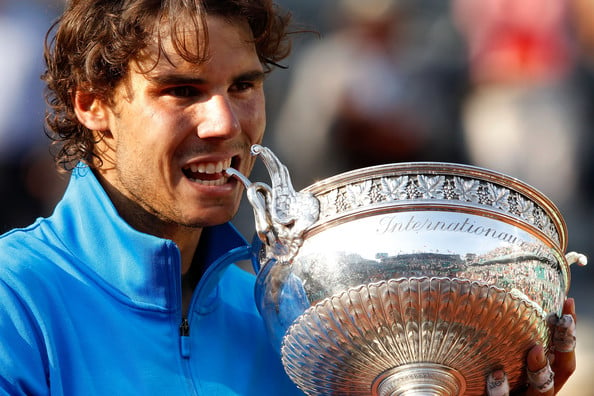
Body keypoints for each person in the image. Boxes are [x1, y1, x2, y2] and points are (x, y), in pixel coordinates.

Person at [0, 0, 578, 395]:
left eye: (244, 86)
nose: (224, 123)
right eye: (181, 90)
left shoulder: (297, 312)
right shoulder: (16, 300)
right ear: (92, 104)